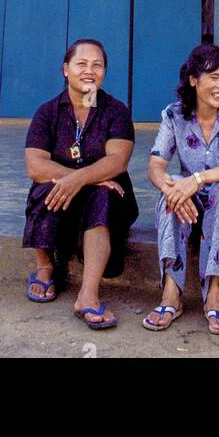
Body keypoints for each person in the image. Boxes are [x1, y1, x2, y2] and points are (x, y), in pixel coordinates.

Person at [23, 38, 138, 330]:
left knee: (102, 196)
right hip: (70, 195)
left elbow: (117, 162)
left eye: (97, 65)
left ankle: (87, 294)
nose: (90, 70)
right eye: (81, 64)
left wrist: (80, 180)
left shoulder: (115, 111)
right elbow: (35, 165)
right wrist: (74, 179)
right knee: (45, 186)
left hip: (110, 197)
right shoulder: (47, 113)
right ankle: (45, 266)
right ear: (65, 69)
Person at [144, 43, 219, 335]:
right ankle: (171, 292)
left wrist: (197, 179)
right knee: (170, 191)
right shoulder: (174, 116)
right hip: (191, 216)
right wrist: (170, 187)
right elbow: (155, 165)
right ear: (194, 79)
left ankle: (216, 292)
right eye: (214, 77)